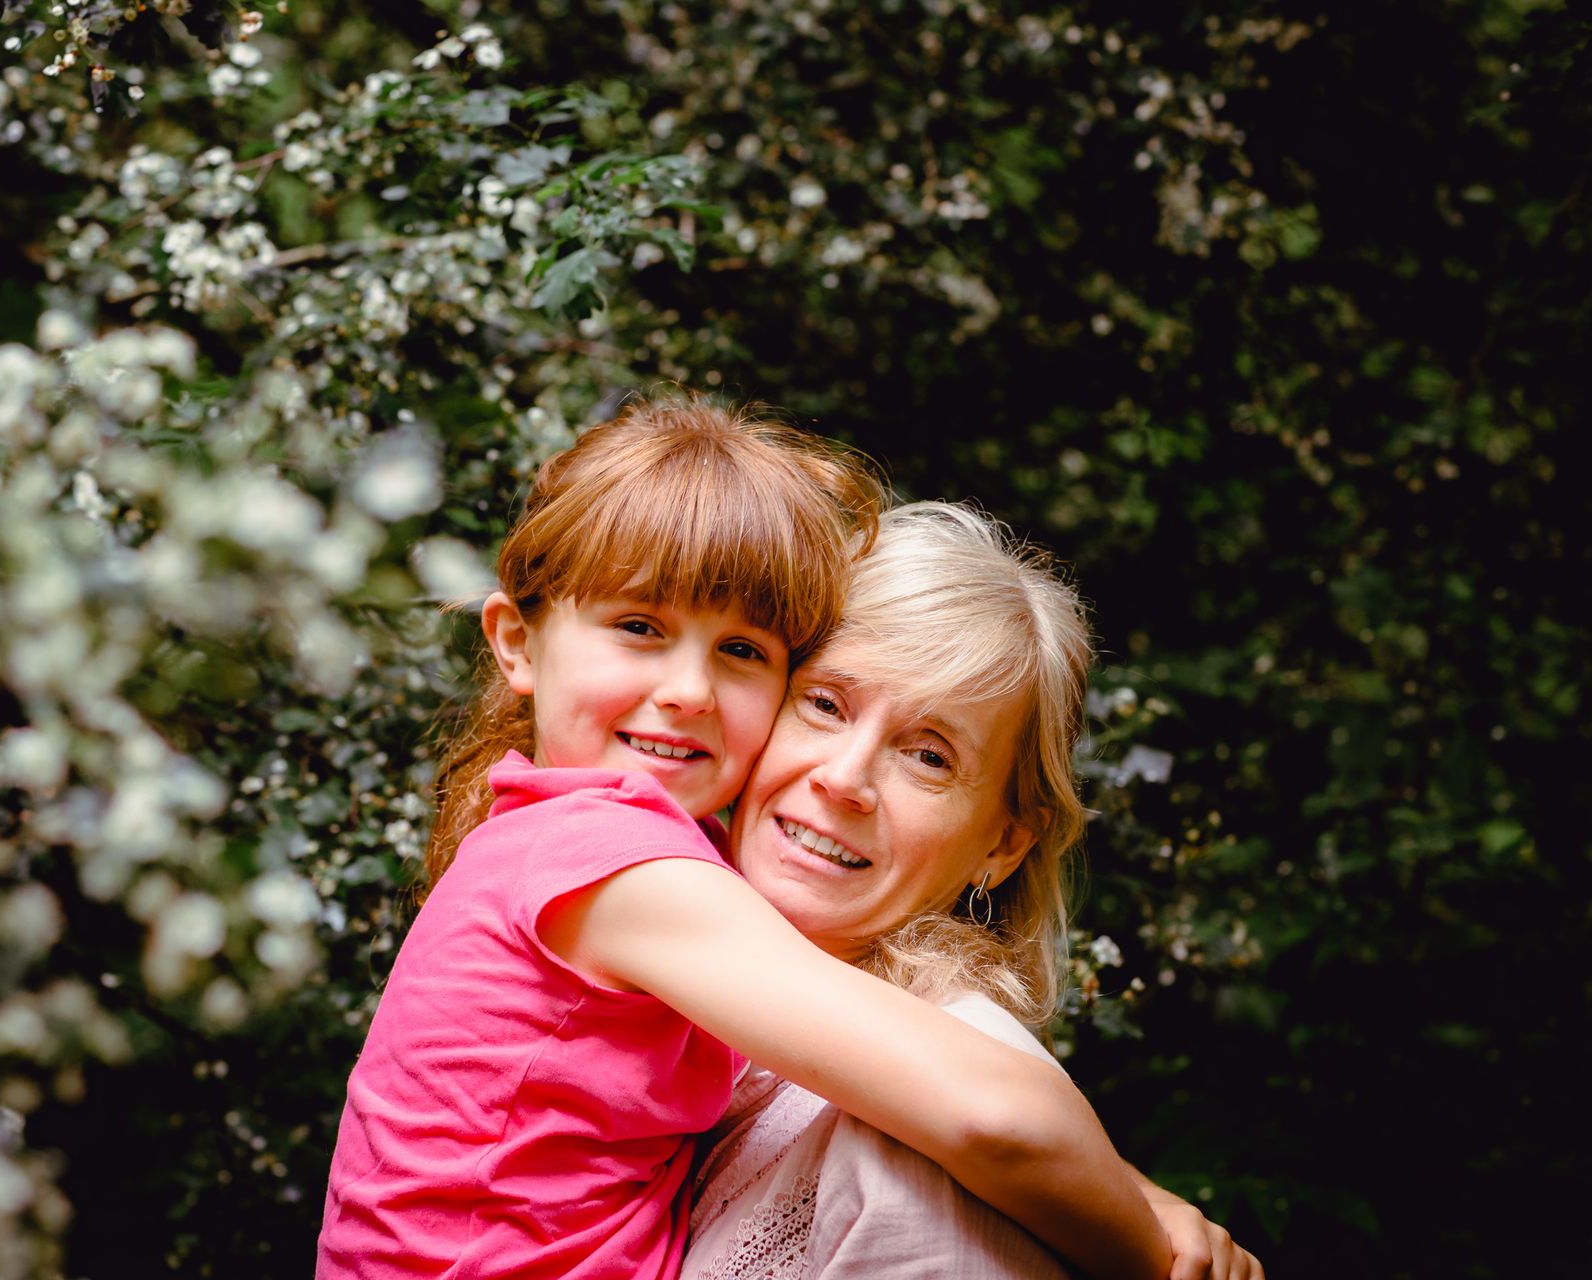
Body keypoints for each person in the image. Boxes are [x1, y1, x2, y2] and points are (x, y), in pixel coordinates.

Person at [317, 400, 1176, 1280]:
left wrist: (1132, 1191)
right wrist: (1152, 1248)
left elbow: (997, 1117)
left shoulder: (579, 854)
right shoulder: (610, 860)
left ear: (1006, 842)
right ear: (516, 643)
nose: (688, 689)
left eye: (741, 649)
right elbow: (997, 1117)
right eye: (640, 627)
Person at [683, 501, 1264, 1280]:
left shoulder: (928, 1136)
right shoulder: (651, 976)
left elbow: (1000, 1129)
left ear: (1001, 845)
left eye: (928, 756)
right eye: (824, 704)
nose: (844, 778)